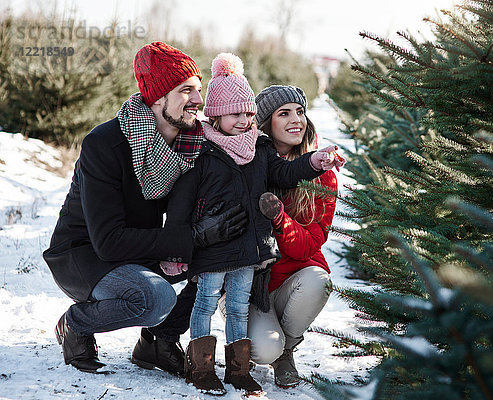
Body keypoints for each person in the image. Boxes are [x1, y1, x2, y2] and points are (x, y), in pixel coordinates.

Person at [42, 42, 248, 374]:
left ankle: (158, 342)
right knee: (155, 298)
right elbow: (108, 241)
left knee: (219, 258)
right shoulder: (105, 144)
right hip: (85, 255)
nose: (199, 100)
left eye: (199, 89)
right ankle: (76, 324)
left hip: (139, 247)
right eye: (186, 91)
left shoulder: (190, 143)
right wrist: (194, 237)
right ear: (158, 98)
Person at [161, 53, 344, 396]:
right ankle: (200, 367)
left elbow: (285, 174)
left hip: (250, 249)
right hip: (215, 249)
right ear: (214, 115)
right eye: (236, 113)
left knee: (236, 309)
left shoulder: (259, 148)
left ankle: (239, 370)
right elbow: (182, 205)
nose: (244, 120)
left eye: (248, 113)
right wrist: (178, 245)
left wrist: (316, 162)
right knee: (204, 303)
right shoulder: (203, 152)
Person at [246, 84, 340, 388]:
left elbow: (307, 247)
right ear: (266, 123)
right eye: (284, 113)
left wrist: (278, 216)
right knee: (262, 351)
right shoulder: (248, 167)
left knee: (318, 281)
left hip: (295, 279)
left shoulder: (322, 175)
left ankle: (286, 351)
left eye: (300, 112)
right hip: (252, 286)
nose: (295, 119)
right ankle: (267, 343)